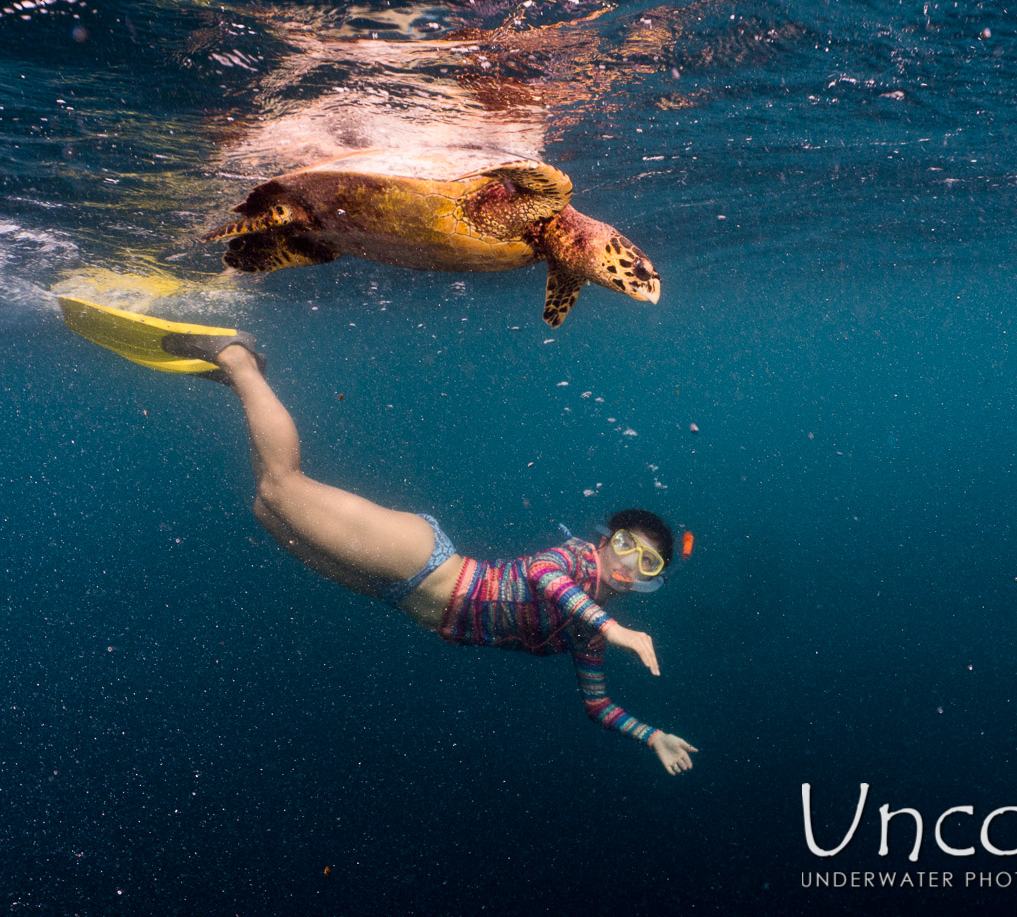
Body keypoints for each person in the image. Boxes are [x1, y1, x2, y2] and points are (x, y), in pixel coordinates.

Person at [58, 297, 697, 775]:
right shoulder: (577, 564)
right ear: (604, 539)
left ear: (649, 582)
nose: (625, 565)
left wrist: (650, 735)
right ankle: (238, 358)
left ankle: (238, 381)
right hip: (426, 561)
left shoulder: (589, 629)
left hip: (395, 597)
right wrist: (618, 631)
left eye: (644, 566)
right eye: (625, 546)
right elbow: (541, 578)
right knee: (283, 487)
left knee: (264, 507)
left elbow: (595, 703)